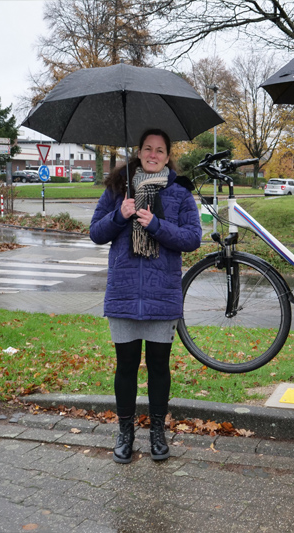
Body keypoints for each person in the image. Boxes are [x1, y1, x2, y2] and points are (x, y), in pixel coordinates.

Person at [90, 129, 202, 464]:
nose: (153, 155)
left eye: (160, 150)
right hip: (124, 293)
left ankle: (157, 431)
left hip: (161, 293)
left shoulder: (180, 193)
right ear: (139, 153)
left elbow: (192, 238)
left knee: (158, 367)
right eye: (147, 149)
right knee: (125, 366)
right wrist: (118, 215)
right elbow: (96, 232)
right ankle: (125, 432)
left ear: (168, 157)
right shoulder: (117, 188)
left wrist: (155, 225)